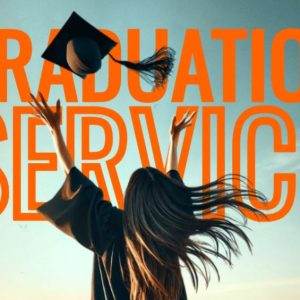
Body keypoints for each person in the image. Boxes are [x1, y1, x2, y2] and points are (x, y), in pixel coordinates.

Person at [29, 92, 266, 300]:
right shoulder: (167, 232)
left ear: (130, 198)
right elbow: (172, 184)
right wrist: (174, 141)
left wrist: (55, 131)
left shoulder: (108, 226)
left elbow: (72, 178)